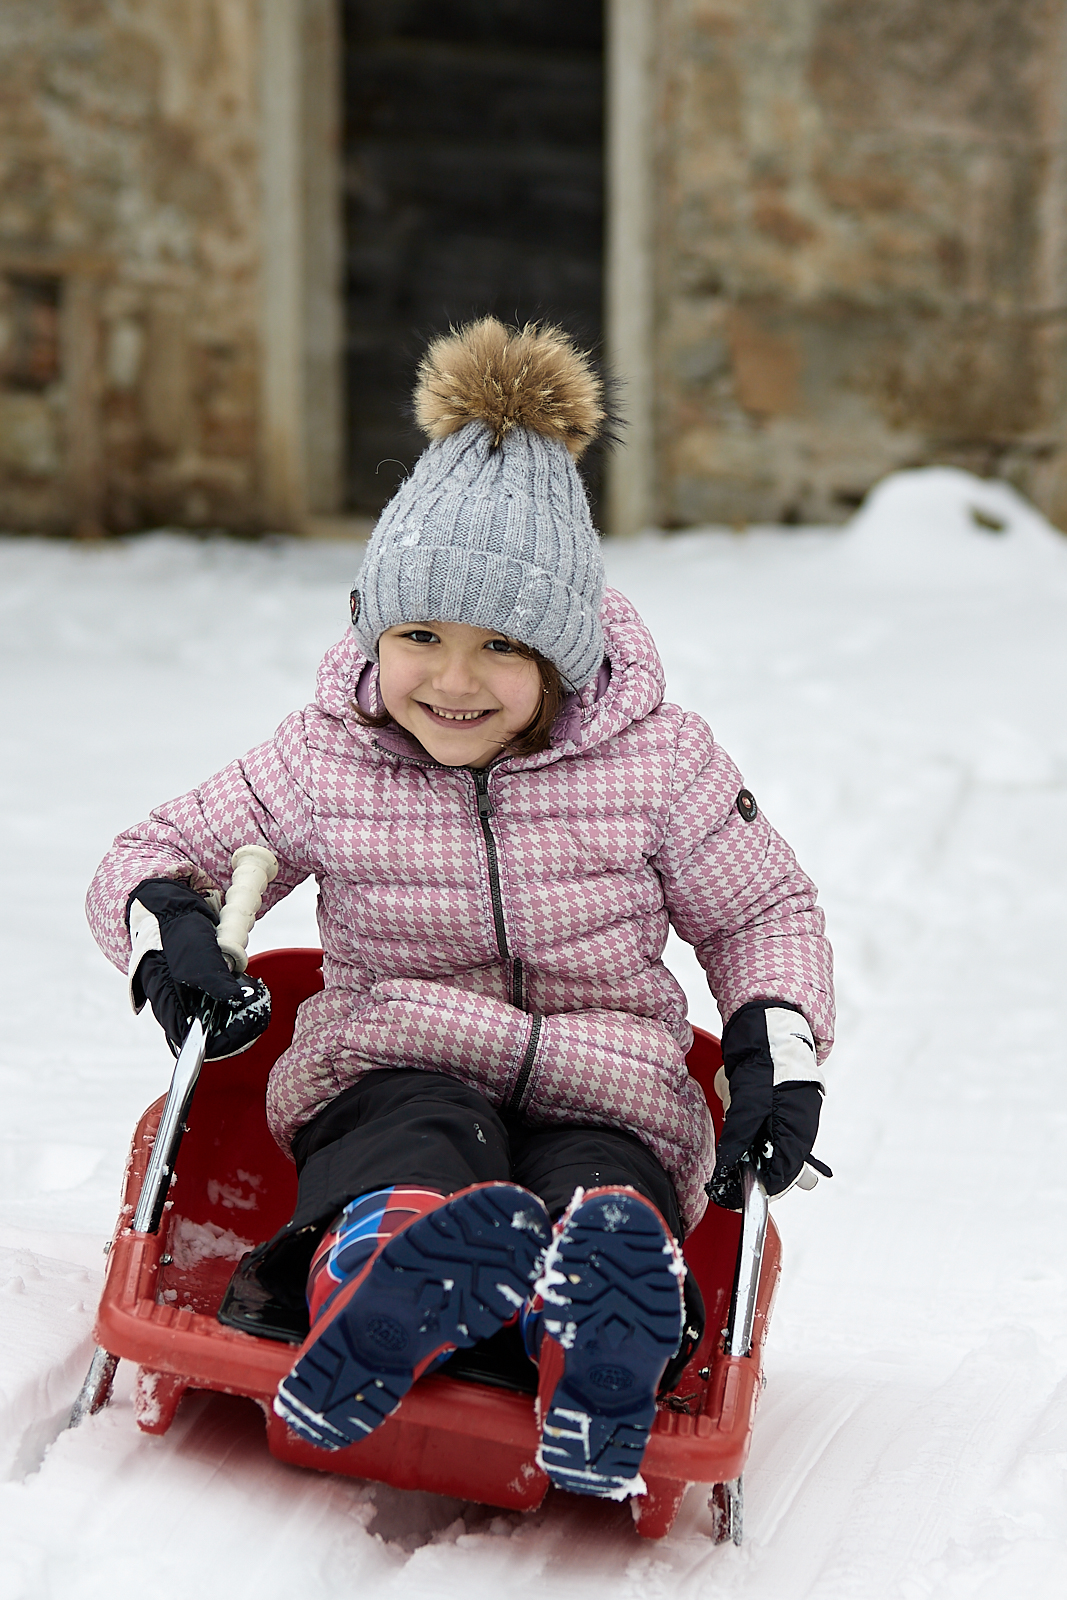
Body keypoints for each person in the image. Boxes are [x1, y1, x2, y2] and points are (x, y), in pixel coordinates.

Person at [86, 317, 834, 1502]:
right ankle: (391, 1269)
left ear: (566, 656)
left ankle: (599, 1327)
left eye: (501, 646)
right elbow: (156, 849)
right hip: (394, 1061)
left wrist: (772, 1037)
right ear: (371, 634)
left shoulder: (659, 762)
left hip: (612, 1084)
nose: (451, 678)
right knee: (417, 1142)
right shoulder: (323, 758)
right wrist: (173, 927)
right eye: (418, 635)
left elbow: (759, 911)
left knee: (608, 1184)